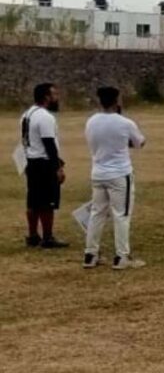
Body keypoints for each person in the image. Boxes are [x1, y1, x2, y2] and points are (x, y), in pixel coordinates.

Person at [83, 86, 146, 270]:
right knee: (121, 215)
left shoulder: (91, 121)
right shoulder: (125, 123)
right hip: (119, 173)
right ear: (117, 101)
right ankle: (122, 256)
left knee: (97, 213)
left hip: (98, 172)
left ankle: (90, 254)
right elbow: (139, 142)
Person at [19, 83, 68, 248]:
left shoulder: (27, 114)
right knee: (47, 203)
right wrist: (58, 168)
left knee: (33, 201)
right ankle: (48, 237)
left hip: (31, 161)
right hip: (44, 163)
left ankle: (33, 235)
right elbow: (49, 144)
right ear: (47, 97)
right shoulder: (45, 117)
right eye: (54, 94)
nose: (57, 98)